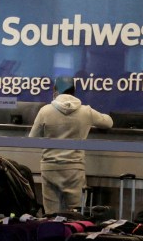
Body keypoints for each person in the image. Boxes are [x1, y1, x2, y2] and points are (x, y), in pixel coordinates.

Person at [28, 75, 113, 214]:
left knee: (51, 214)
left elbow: (31, 138)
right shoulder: (86, 111)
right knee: (76, 214)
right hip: (74, 168)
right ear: (74, 91)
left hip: (50, 167)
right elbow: (109, 122)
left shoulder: (45, 111)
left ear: (55, 91)